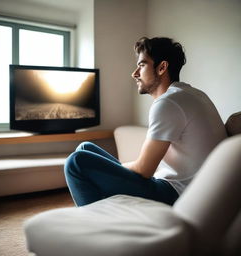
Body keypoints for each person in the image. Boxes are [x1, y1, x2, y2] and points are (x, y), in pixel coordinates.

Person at [64, 37, 227, 207]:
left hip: (177, 194)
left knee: (76, 162)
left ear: (162, 67)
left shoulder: (168, 102)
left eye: (141, 65)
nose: (134, 73)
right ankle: (107, 210)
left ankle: (96, 223)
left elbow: (144, 169)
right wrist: (114, 169)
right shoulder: (192, 94)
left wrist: (114, 169)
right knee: (85, 148)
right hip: (188, 188)